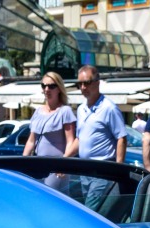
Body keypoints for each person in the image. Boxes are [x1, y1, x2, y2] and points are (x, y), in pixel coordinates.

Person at [68, 65, 126, 206]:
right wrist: (64, 159)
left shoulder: (109, 108)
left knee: (91, 210)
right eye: (79, 84)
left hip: (102, 171)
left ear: (97, 82)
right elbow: (79, 139)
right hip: (84, 171)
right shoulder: (81, 109)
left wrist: (118, 170)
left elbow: (122, 138)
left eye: (86, 83)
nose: (82, 87)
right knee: (88, 211)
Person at [21, 70, 76, 193]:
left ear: (59, 89)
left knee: (53, 202)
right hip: (38, 166)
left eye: (51, 86)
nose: (47, 89)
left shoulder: (65, 111)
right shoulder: (38, 111)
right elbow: (31, 141)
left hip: (57, 168)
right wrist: (22, 163)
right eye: (44, 86)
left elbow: (70, 141)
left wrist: (64, 165)